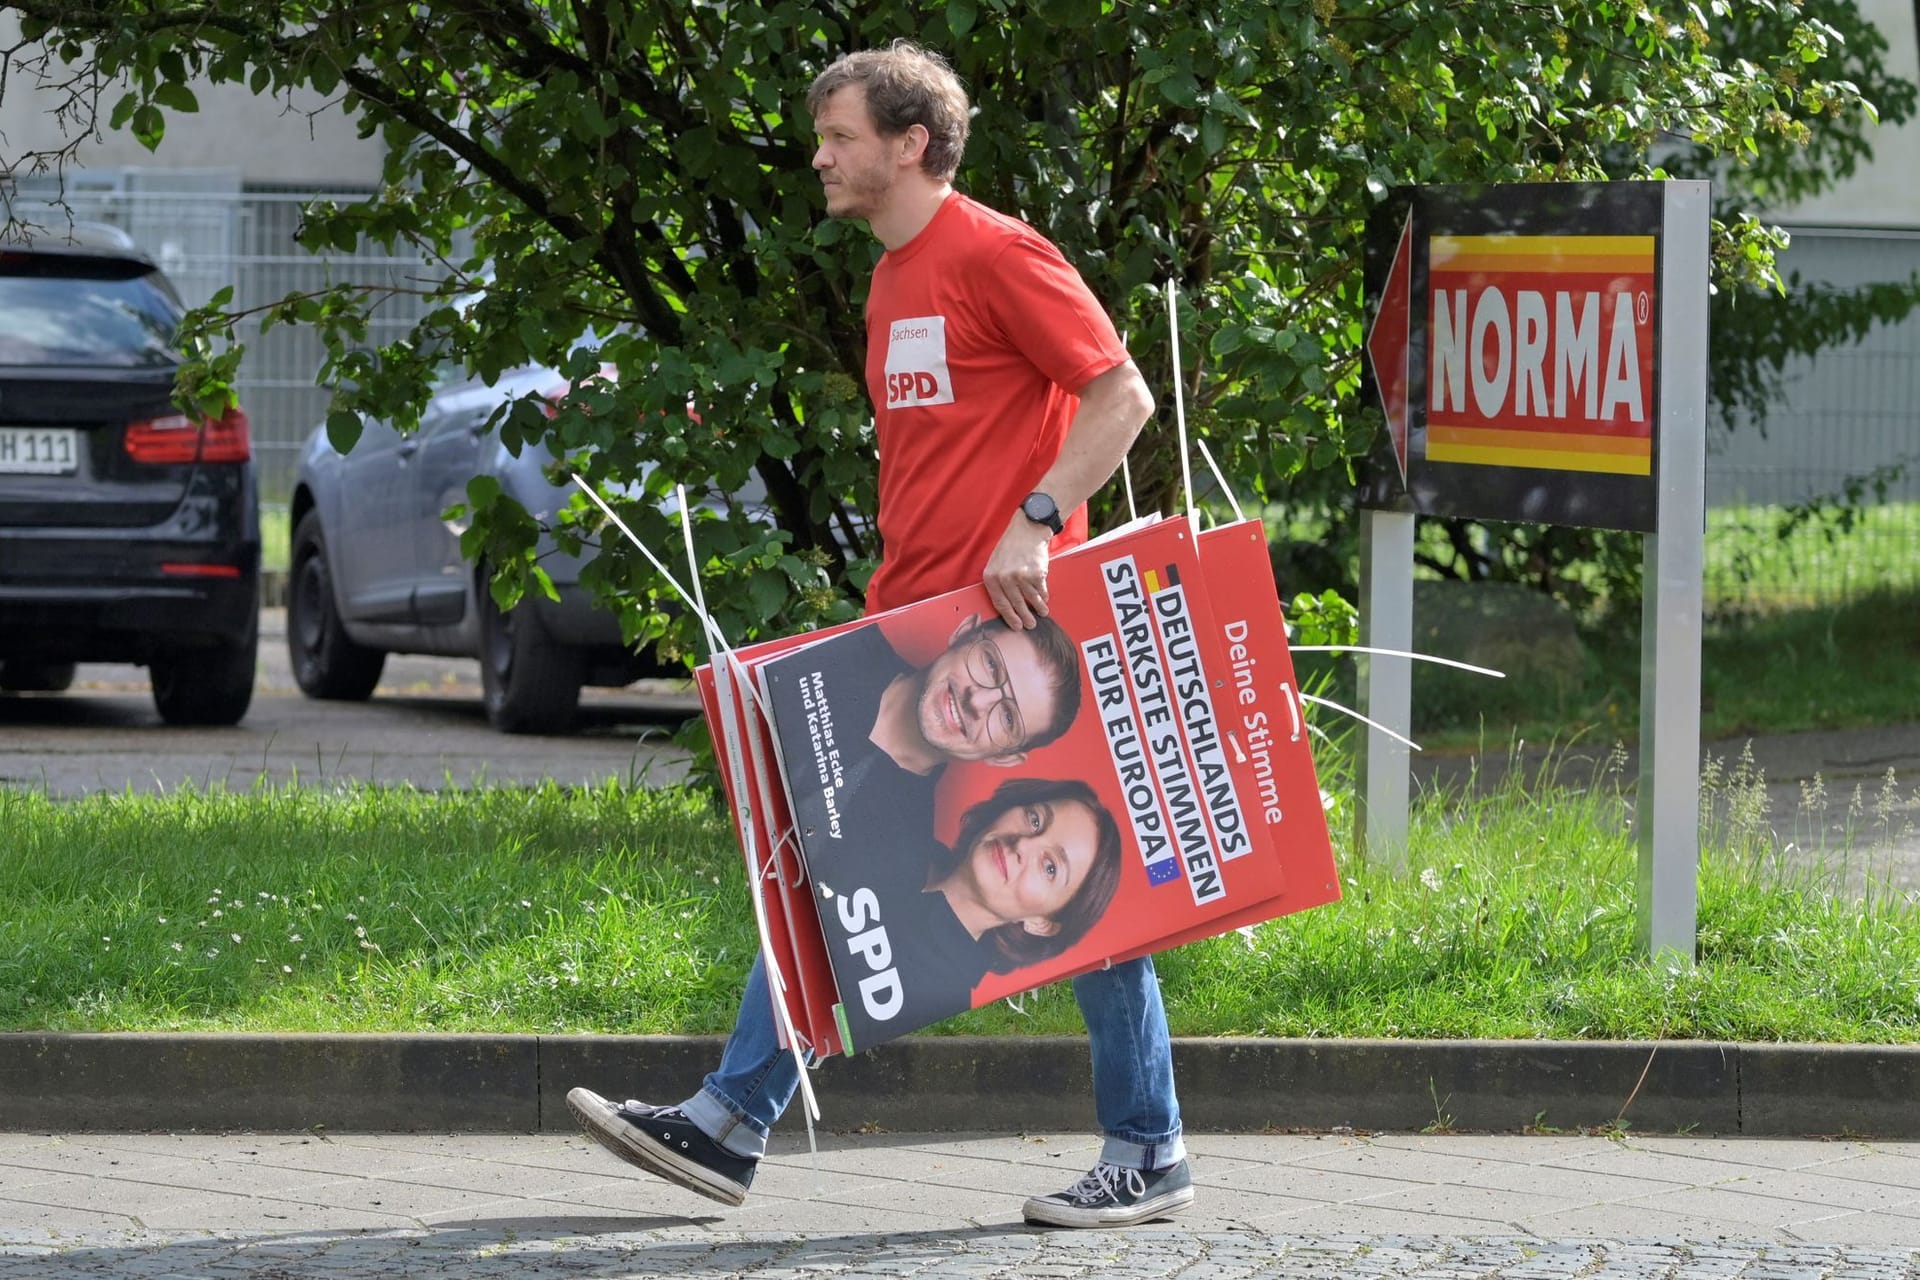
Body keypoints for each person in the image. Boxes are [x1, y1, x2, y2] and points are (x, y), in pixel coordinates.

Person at [569, 40, 1190, 1230]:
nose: (821, 155)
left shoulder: (998, 253)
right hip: (910, 638)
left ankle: (1149, 1147)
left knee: (1087, 899)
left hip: (1003, 650)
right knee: (828, 861)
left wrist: (1038, 521)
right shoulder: (893, 276)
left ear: (911, 143)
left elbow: (1122, 394)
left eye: (841, 135)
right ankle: (731, 1119)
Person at [814, 775, 1124, 1050]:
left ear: (1043, 924)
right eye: (1035, 819)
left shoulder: (934, 986)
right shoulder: (905, 813)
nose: (1024, 845)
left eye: (1050, 867)